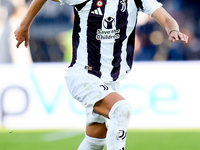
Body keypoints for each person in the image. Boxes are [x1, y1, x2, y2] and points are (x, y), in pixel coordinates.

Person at [14, 0, 188, 149]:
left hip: (111, 79)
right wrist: (24, 26)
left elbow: (166, 18)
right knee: (121, 109)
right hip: (83, 75)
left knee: (96, 141)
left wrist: (172, 30)